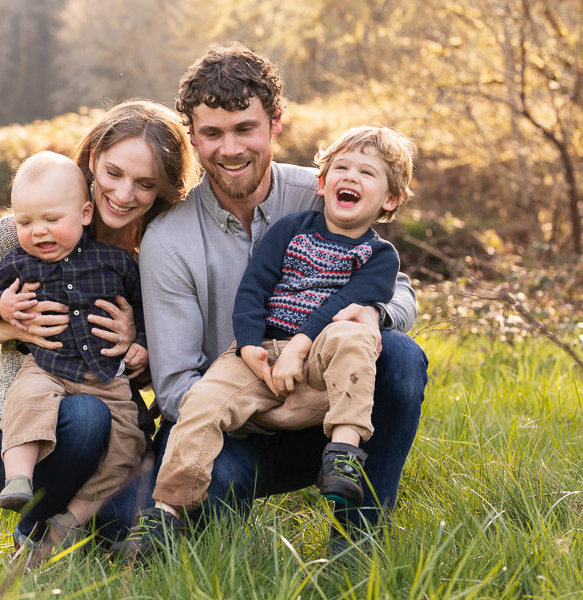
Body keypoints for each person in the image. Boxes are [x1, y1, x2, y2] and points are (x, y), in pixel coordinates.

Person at [109, 43, 428, 560]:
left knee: (400, 357)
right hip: (230, 424)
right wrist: (272, 410)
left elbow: (398, 289)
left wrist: (375, 312)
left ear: (276, 123)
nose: (230, 149)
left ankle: (357, 544)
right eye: (212, 133)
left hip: (328, 418)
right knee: (182, 522)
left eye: (244, 129)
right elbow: (173, 391)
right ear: (192, 135)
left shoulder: (321, 191)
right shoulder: (168, 239)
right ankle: (169, 519)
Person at [0, 99, 199, 554]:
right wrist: (13, 325)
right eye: (114, 173)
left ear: (163, 189)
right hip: (25, 438)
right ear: (92, 160)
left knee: (126, 532)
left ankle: (69, 527)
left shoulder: (153, 252)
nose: (124, 195)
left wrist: (138, 343)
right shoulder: (19, 232)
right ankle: (34, 526)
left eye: (144, 184)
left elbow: (175, 356)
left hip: (116, 434)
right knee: (85, 417)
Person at [0, 150, 147, 551]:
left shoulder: (115, 261)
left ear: (85, 214)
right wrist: (3, 310)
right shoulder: (19, 261)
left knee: (128, 446)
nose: (38, 232)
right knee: (29, 397)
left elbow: (142, 305)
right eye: (26, 222)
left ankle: (71, 521)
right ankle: (19, 480)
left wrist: (138, 339)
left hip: (106, 380)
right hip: (46, 368)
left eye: (52, 220)